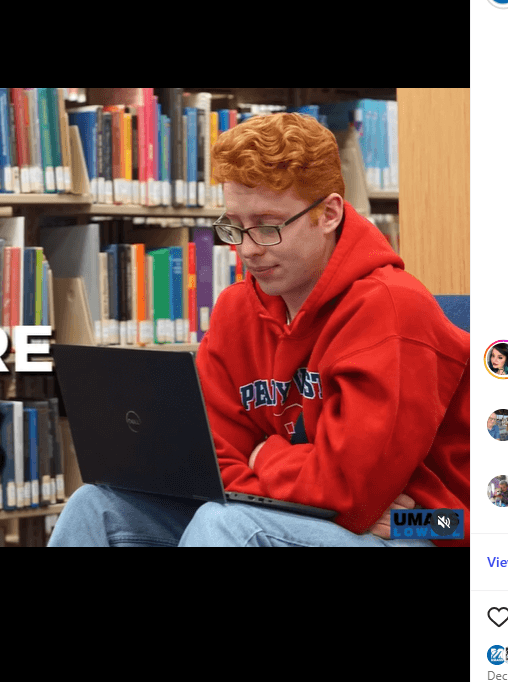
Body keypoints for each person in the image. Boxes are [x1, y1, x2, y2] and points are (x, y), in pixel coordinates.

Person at [49, 112, 470, 547]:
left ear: (327, 214)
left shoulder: (392, 310)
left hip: (421, 524)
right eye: (236, 226)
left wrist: (261, 453)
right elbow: (210, 462)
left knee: (226, 524)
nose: (247, 249)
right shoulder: (236, 310)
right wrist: (288, 468)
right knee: (94, 505)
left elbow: (352, 491)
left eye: (268, 227)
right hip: (302, 509)